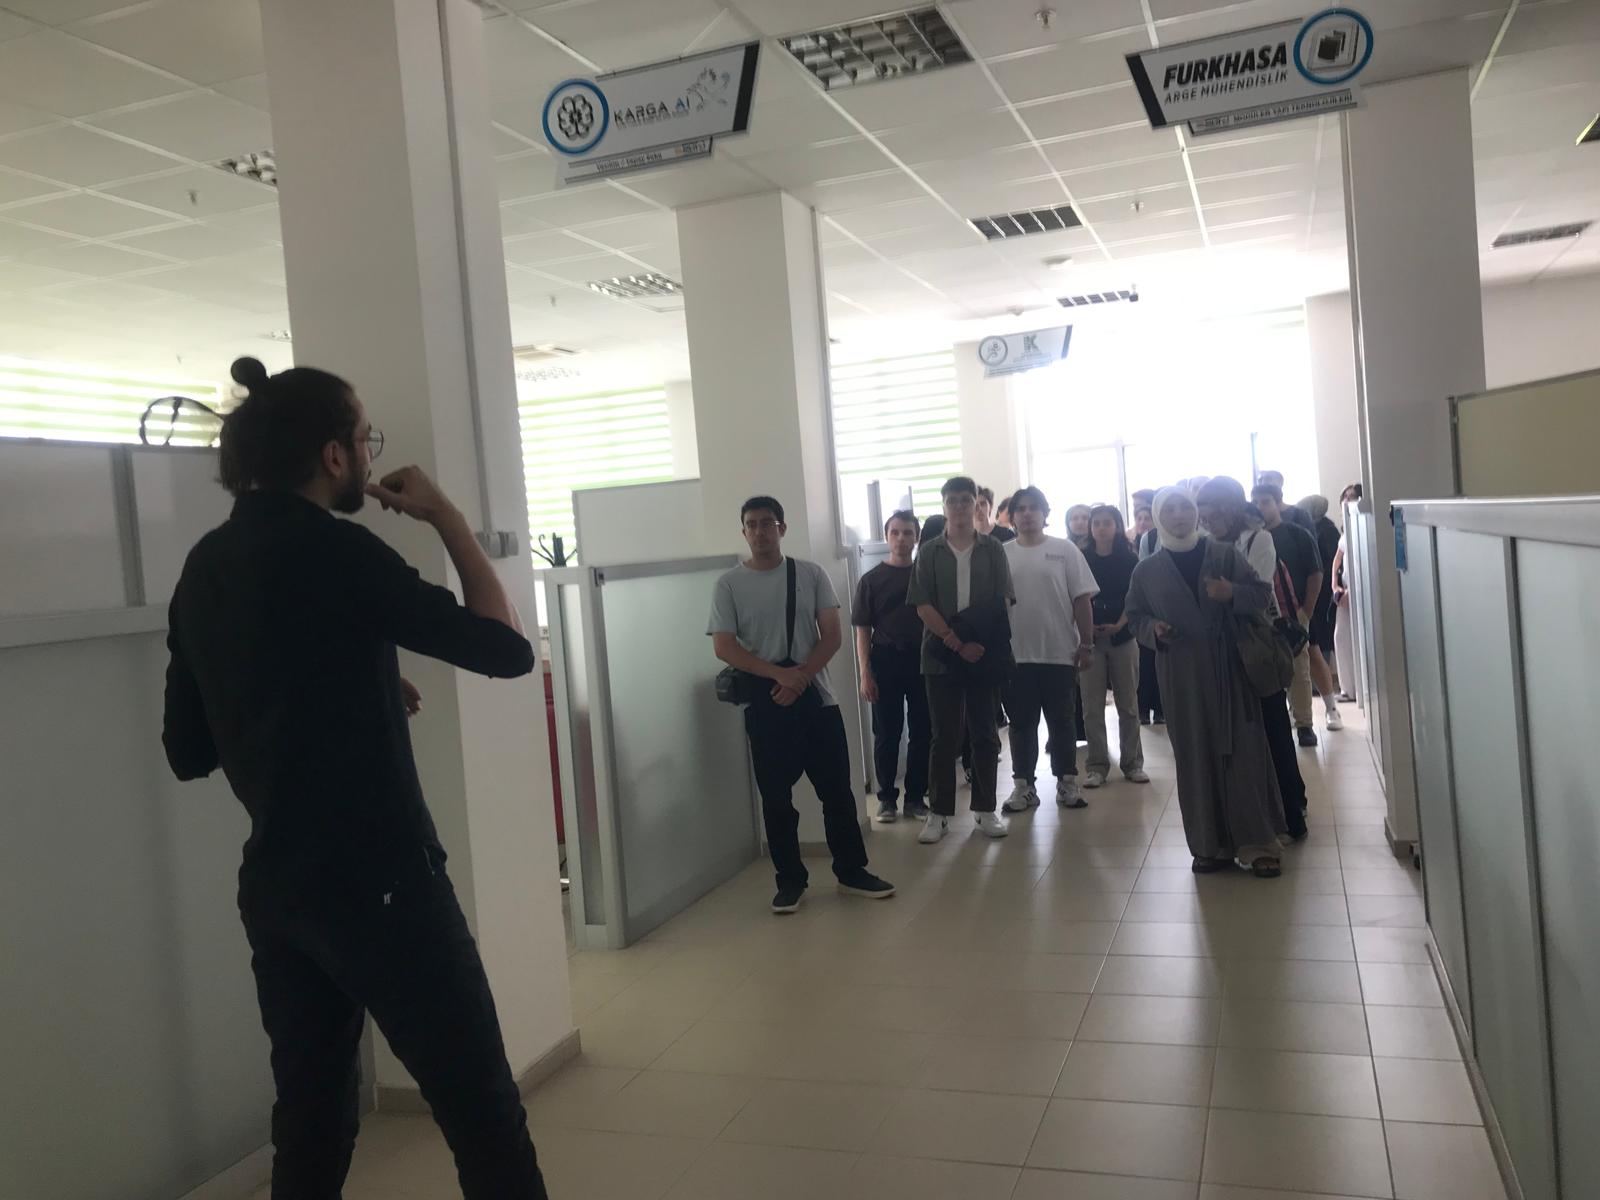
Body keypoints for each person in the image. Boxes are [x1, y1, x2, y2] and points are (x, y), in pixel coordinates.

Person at [162, 357, 551, 1198]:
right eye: (365, 439)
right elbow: (505, 648)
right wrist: (447, 517)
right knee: (485, 1119)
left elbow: (187, 750)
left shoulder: (204, 566)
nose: (370, 456)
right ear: (334, 455)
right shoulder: (338, 551)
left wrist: (350, 680)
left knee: (310, 1126)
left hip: (279, 892)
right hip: (384, 886)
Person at [710, 496, 896, 913]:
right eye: (752, 524)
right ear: (743, 531)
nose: (760, 532)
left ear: (782, 528)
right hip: (765, 702)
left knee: (837, 793)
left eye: (767, 523)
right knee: (776, 800)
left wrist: (801, 677)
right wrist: (780, 676)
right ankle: (790, 881)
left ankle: (852, 871)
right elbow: (724, 646)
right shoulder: (729, 584)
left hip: (818, 700)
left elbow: (832, 634)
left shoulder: (810, 574)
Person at [1126, 489, 1286, 876]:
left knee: (1245, 754)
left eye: (1185, 507)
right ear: (1159, 517)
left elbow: (1262, 594)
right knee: (1195, 755)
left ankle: (1258, 843)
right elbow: (1135, 616)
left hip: (1230, 668)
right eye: (1170, 509)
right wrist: (1154, 629)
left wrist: (1232, 593)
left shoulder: (1223, 554)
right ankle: (1208, 845)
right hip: (1182, 675)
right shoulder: (1146, 570)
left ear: (1196, 512)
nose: (1179, 515)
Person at [1196, 477, 1308, 841]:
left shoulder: (1258, 539)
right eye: (1204, 514)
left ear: (1231, 508)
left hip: (1257, 645)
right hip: (1219, 649)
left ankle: (1292, 810)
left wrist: (1229, 592)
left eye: (1215, 512)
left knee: (1274, 727)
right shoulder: (1202, 544)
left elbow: (1259, 591)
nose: (1209, 520)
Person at [907, 476, 1016, 843]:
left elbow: (1002, 600)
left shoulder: (993, 549)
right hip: (940, 656)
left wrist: (976, 642)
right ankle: (938, 814)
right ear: (943, 506)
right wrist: (954, 641)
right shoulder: (929, 552)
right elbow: (922, 604)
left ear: (977, 505)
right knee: (944, 736)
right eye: (951, 500)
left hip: (984, 653)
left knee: (985, 732)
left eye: (965, 500)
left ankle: (985, 810)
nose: (958, 507)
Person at [998, 486, 1097, 813]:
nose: (1027, 514)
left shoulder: (1065, 550)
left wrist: (1086, 644)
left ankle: (1067, 783)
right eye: (1020, 509)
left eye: (1033, 508)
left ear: (1045, 514)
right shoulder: (1002, 554)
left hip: (1059, 653)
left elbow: (1082, 599)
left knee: (1062, 722)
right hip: (1016, 656)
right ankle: (1023, 786)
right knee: (1021, 724)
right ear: (1012, 517)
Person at [853, 510, 931, 824]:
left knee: (923, 731)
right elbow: (862, 629)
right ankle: (886, 798)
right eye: (895, 532)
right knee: (887, 732)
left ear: (917, 537)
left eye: (908, 532)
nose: (901, 539)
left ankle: (915, 797)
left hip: (923, 661)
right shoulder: (871, 580)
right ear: (887, 537)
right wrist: (865, 672)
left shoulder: (926, 577)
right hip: (885, 660)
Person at [1253, 482, 1336, 745]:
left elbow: (1315, 574)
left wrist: (1305, 612)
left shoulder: (1297, 535)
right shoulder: (1252, 539)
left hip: (1294, 613)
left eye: (1266, 501)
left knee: (1300, 669)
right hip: (1261, 617)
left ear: (1278, 503)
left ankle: (1305, 725)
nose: (1260, 507)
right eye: (1255, 502)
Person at [1078, 504, 1148, 788]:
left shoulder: (1130, 559)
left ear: (1117, 526)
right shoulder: (1081, 558)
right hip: (1089, 638)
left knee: (1128, 704)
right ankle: (1096, 765)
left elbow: (1136, 598)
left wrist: (1119, 625)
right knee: (1092, 706)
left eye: (1107, 523)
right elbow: (1076, 597)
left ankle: (1133, 763)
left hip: (1123, 637)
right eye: (1096, 523)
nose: (1101, 528)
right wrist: (1087, 628)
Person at [1299, 493, 1345, 730]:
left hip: (1321, 595)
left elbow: (1325, 566)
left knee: (1320, 643)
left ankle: (1326, 697)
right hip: (1318, 594)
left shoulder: (1324, 529)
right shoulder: (1316, 528)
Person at [1330, 483, 1362, 701]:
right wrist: (1335, 585)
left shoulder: (1361, 525)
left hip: (1357, 590)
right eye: (1345, 497)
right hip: (1343, 591)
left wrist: (1351, 590)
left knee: (1358, 638)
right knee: (1341, 637)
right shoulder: (1344, 529)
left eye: (1351, 497)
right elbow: (1337, 559)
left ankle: (1359, 688)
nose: (1347, 501)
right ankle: (1347, 688)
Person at [1258, 470, 1316, 534]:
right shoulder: (1257, 516)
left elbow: (1310, 539)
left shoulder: (1300, 515)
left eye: (1268, 478)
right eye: (1260, 480)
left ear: (1280, 483)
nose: (1263, 483)